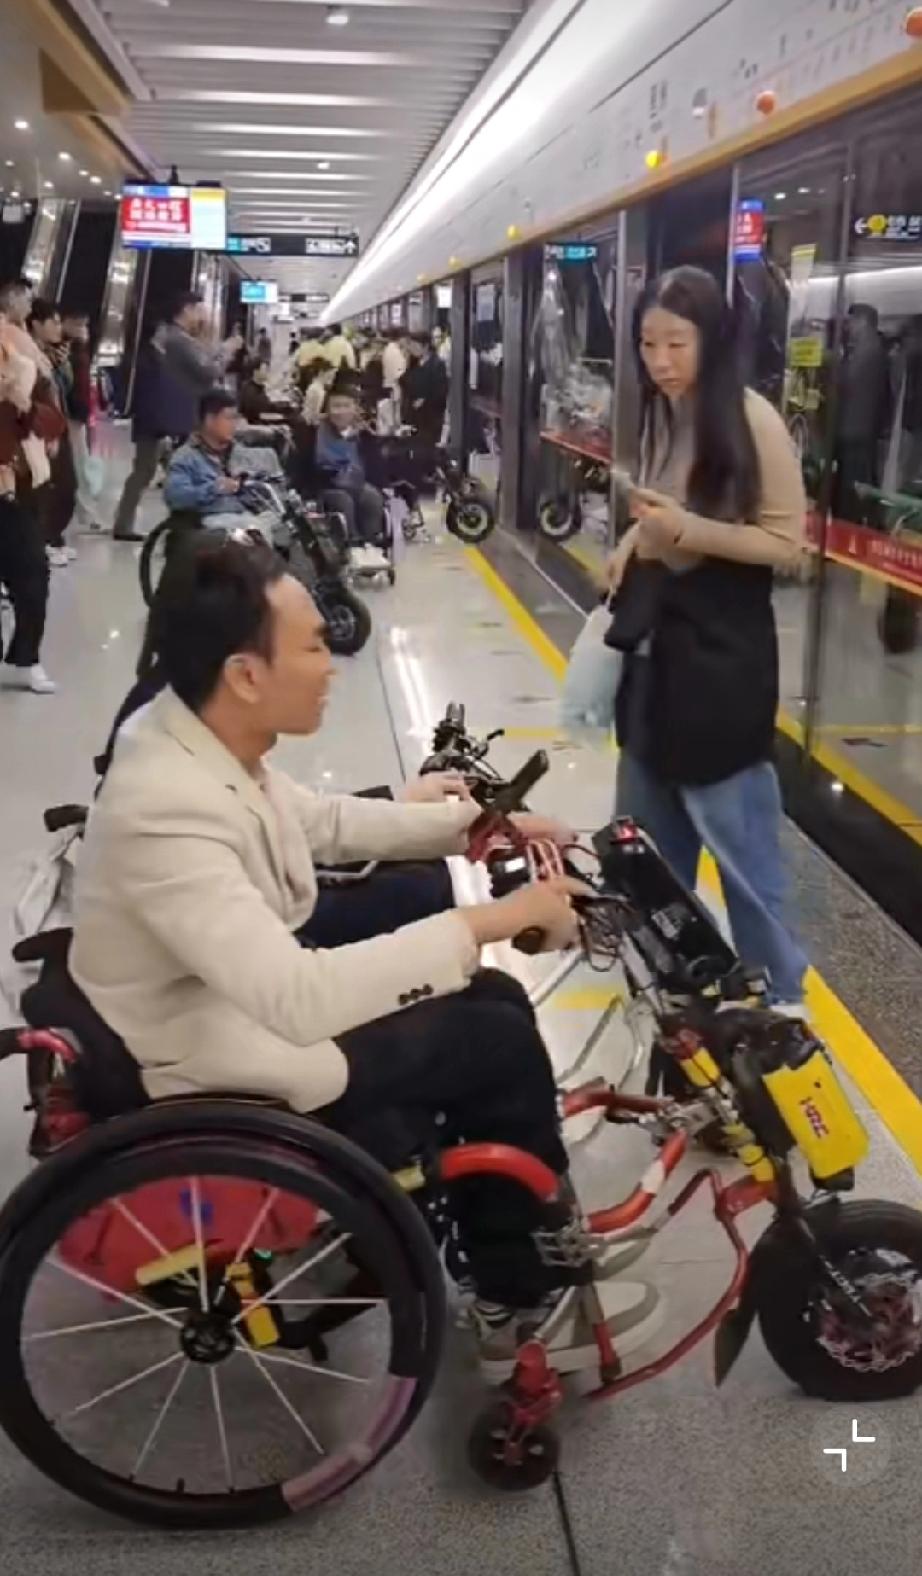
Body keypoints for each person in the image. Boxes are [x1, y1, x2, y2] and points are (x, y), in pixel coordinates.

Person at [70, 537, 658, 1376]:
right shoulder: (166, 805)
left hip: (220, 997)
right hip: (206, 1044)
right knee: (493, 1036)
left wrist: (474, 825)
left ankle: (508, 1235)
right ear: (246, 673)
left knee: (492, 999)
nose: (332, 665)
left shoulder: (193, 736)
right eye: (313, 646)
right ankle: (516, 1293)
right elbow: (298, 1000)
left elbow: (323, 822)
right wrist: (491, 921)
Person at [604, 265, 808, 1008]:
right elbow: (662, 512)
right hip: (656, 664)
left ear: (712, 341)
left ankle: (779, 1003)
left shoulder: (751, 419)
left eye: (676, 344)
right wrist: (633, 543)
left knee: (744, 857)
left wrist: (686, 531)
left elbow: (786, 544)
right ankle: (676, 991)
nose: (659, 361)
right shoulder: (667, 413)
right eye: (647, 343)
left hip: (721, 667)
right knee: (645, 853)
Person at [0, 302, 58, 693]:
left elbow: (50, 418)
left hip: (17, 485)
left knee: (33, 572)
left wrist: (23, 405)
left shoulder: (22, 358)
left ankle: (27, 656)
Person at [295, 378, 389, 571]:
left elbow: (376, 467)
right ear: (327, 409)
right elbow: (303, 467)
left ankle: (371, 545)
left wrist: (384, 487)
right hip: (327, 486)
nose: (340, 411)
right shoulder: (314, 433)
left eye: (346, 406)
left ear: (355, 409)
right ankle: (353, 546)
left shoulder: (365, 435)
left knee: (372, 497)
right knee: (342, 500)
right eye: (335, 406)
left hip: (357, 483)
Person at [28, 299, 77, 568]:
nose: (59, 328)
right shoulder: (30, 354)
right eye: (54, 322)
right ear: (37, 324)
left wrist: (62, 364)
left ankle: (53, 537)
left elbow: (64, 389)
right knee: (52, 486)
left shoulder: (52, 355)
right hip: (44, 428)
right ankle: (44, 540)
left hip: (59, 423)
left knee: (66, 485)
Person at [832, 302, 890, 523]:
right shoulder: (871, 349)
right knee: (856, 481)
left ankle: (853, 524)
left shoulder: (868, 351)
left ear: (863, 322)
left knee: (853, 485)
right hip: (860, 429)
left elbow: (847, 383)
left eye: (851, 322)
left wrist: (836, 364)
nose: (849, 327)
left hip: (855, 429)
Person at [163, 389, 250, 520]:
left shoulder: (241, 452)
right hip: (208, 525)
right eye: (229, 418)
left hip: (249, 520)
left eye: (236, 418)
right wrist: (215, 488)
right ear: (209, 420)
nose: (234, 424)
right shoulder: (186, 457)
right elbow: (176, 497)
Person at [60, 308, 100, 535]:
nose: (82, 330)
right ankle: (87, 514)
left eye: (84, 325)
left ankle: (86, 512)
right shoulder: (65, 351)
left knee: (80, 462)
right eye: (77, 325)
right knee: (79, 463)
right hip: (71, 414)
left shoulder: (78, 348)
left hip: (79, 413)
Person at [400, 333, 449, 450]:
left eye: (415, 346)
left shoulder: (437, 364)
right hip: (414, 417)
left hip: (430, 417)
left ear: (425, 346)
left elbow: (441, 390)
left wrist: (425, 400)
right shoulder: (414, 363)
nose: (412, 349)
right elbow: (405, 382)